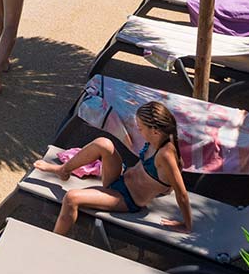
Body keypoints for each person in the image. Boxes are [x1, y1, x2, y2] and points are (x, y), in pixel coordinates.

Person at [32, 101, 191, 236]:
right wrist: (165, 188)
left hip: (126, 198)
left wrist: (186, 225)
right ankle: (63, 170)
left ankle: (53, 242)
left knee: (71, 198)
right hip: (120, 179)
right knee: (103, 143)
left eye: (141, 128)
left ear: (155, 131)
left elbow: (182, 193)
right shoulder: (158, 139)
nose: (138, 131)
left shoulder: (166, 155)